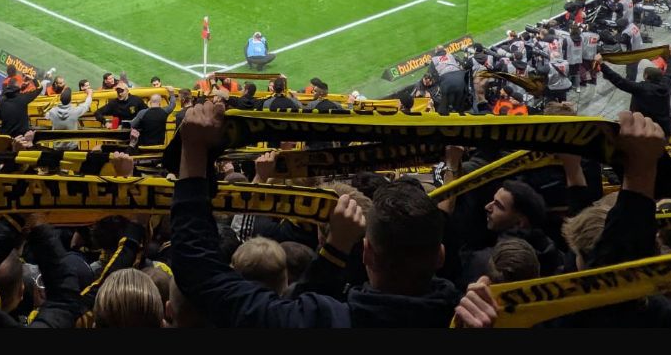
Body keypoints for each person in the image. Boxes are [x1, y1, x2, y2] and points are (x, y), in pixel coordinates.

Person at [171, 99, 467, 328]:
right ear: (440, 255)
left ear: (367, 253)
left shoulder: (323, 319)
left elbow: (200, 272)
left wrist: (194, 150)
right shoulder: (471, 318)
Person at [595, 45, 671, 138]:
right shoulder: (666, 84)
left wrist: (602, 64)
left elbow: (619, 81)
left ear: (646, 76)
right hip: (664, 129)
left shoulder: (640, 88)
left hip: (643, 130)